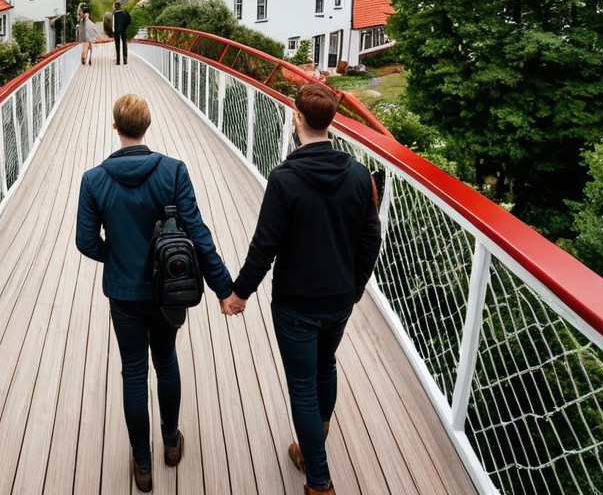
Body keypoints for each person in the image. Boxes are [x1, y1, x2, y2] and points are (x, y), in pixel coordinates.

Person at [221, 83, 381, 495]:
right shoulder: (360, 175)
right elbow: (370, 239)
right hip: (340, 299)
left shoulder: (285, 179)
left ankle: (319, 481)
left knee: (303, 387)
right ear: (330, 122)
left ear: (297, 119)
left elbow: (265, 246)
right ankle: (314, 446)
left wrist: (239, 294)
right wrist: (355, 286)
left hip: (296, 303)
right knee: (325, 366)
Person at [77, 94, 235, 492]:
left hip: (123, 293)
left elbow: (85, 241)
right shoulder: (173, 171)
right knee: (165, 359)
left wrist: (114, 256)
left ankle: (143, 465)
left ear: (116, 128)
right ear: (147, 126)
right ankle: (170, 444)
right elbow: (198, 234)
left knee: (133, 370)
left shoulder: (94, 180)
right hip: (169, 292)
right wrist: (224, 287)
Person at [112, 0, 132, 65]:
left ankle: (118, 61)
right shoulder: (125, 12)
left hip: (116, 32)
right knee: (124, 44)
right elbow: (129, 20)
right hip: (123, 30)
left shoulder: (114, 14)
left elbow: (112, 24)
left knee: (117, 45)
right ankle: (125, 60)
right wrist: (125, 26)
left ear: (115, 7)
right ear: (120, 6)